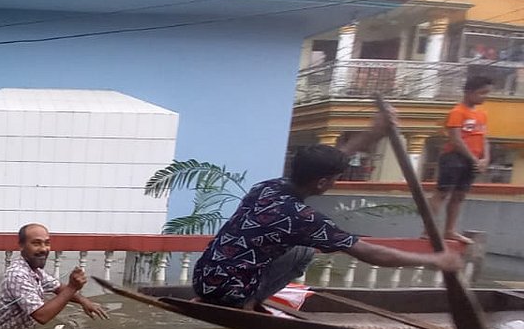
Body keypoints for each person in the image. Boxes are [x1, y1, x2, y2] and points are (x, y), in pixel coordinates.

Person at [193, 112, 465, 311]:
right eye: (334, 178)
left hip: (203, 280)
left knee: (301, 249)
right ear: (322, 182)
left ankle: (232, 296)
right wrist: (434, 261)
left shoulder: (265, 187)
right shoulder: (302, 218)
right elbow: (370, 253)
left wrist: (373, 133)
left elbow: (329, 160)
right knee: (305, 253)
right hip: (231, 291)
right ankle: (247, 304)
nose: (335, 183)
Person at [0, 223, 108, 329]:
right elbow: (42, 316)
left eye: (47, 243)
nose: (43, 249)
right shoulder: (17, 274)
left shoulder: (34, 269)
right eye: (36, 243)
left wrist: (84, 301)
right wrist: (72, 287)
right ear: (21, 246)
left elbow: (58, 287)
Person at [430, 75, 493, 245]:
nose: (485, 96)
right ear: (469, 92)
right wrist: (473, 159)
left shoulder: (482, 114)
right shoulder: (457, 112)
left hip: (472, 161)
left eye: (487, 93)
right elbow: (456, 140)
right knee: (442, 193)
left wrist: (485, 158)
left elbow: (484, 138)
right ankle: (428, 230)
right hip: (454, 158)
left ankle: (450, 230)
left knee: (459, 195)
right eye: (482, 93)